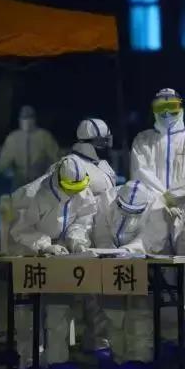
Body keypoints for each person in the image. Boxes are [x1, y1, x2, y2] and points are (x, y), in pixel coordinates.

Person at [130, 88, 185, 349]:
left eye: (173, 107)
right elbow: (140, 174)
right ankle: (169, 334)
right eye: (160, 108)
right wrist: (163, 199)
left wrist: (172, 197)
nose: (167, 114)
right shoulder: (143, 140)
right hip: (156, 211)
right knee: (161, 270)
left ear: (182, 107)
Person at [10, 156, 97, 369]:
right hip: (27, 250)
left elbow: (83, 219)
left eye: (79, 188)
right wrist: (44, 245)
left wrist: (76, 239)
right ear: (58, 180)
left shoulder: (82, 191)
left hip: (60, 252)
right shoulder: (32, 195)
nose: (75, 193)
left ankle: (58, 358)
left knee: (60, 304)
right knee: (28, 310)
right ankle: (29, 361)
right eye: (71, 188)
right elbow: (19, 230)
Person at [92, 180, 170, 369]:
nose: (128, 215)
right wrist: (109, 252)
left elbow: (152, 239)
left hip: (141, 264)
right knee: (112, 312)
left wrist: (129, 250)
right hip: (109, 263)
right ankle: (118, 357)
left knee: (140, 312)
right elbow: (100, 230)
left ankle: (140, 358)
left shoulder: (157, 206)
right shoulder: (106, 199)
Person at [64, 118, 116, 355]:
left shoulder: (101, 165)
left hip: (104, 234)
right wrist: (77, 239)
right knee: (87, 294)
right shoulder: (72, 165)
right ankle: (89, 343)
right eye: (103, 141)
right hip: (82, 236)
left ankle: (99, 339)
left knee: (101, 292)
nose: (107, 145)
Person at [0, 105, 60, 190]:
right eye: (24, 118)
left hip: (40, 182)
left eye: (30, 118)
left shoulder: (44, 136)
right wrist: (4, 170)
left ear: (34, 120)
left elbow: (56, 158)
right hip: (19, 183)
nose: (27, 121)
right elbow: (4, 161)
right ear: (19, 120)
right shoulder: (13, 138)